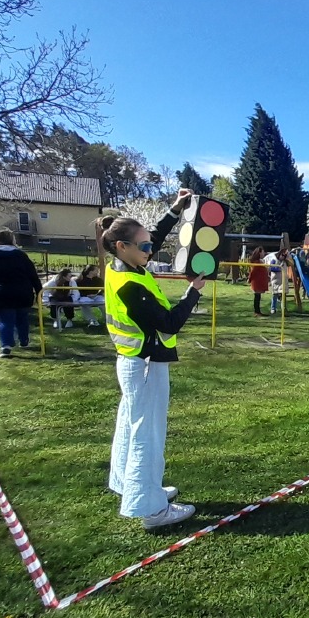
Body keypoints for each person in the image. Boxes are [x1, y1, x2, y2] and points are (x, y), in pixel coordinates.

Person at [100, 189, 203, 530]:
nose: (150, 250)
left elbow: (153, 236)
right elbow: (169, 323)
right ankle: (152, 509)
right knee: (148, 434)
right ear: (122, 246)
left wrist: (174, 210)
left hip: (135, 362)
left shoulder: (123, 263)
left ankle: (131, 486)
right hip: (144, 364)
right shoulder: (129, 284)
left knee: (131, 426)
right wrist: (193, 292)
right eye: (144, 247)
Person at [0, 228, 43, 358]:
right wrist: (39, 291)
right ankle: (24, 340)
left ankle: (5, 346)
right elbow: (33, 276)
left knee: (5, 320)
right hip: (22, 292)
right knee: (22, 318)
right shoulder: (20, 255)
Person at [267, 249, 285, 315]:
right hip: (275, 280)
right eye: (282, 255)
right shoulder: (274, 259)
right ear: (279, 254)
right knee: (274, 294)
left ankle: (283, 308)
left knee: (282, 294)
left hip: (282, 280)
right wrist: (279, 268)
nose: (283, 257)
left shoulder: (283, 261)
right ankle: (273, 308)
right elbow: (271, 268)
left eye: (284, 256)